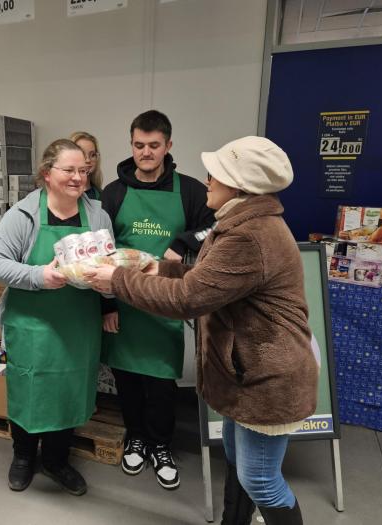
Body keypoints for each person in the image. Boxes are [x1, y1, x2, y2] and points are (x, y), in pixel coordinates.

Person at [86, 136, 318, 524]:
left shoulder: (248, 235)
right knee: (237, 463)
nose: (208, 180)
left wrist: (118, 280)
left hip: (266, 380)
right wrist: (158, 268)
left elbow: (188, 299)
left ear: (240, 187)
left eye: (217, 174)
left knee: (260, 479)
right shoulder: (243, 224)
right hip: (245, 375)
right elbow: (212, 280)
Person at [0, 139, 113, 496]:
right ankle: (23, 457)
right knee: (29, 388)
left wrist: (108, 283)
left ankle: (57, 460)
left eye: (83, 171)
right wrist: (40, 276)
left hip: (77, 323)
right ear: (46, 174)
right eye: (69, 170)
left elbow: (107, 262)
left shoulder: (97, 216)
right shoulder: (22, 215)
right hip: (32, 323)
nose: (78, 178)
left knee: (70, 390)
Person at [100, 109, 214, 489]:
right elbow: (100, 250)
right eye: (138, 145)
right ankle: (135, 436)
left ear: (168, 145)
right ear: (131, 145)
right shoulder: (113, 194)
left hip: (166, 302)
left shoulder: (192, 190)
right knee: (128, 378)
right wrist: (108, 304)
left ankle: (160, 444)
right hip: (124, 303)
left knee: (162, 382)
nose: (145, 153)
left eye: (153, 146)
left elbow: (214, 226)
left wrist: (183, 242)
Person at [70, 131, 103, 200]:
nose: (88, 160)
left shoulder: (103, 195)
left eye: (92, 155)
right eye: (82, 154)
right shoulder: (62, 195)